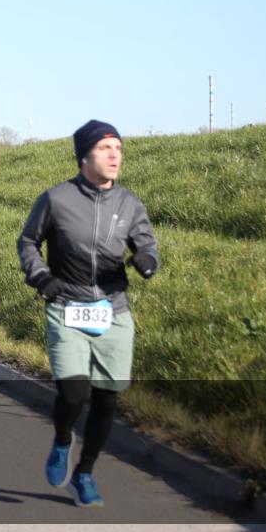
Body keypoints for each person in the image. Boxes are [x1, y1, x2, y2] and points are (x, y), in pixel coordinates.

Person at [17, 119, 159, 508]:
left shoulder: (129, 203)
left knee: (108, 397)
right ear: (84, 156)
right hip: (67, 307)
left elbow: (147, 243)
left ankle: (85, 473)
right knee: (74, 391)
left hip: (113, 309)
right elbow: (28, 241)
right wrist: (41, 275)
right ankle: (63, 440)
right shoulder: (57, 199)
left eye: (118, 148)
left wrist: (146, 258)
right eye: (105, 148)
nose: (115, 155)